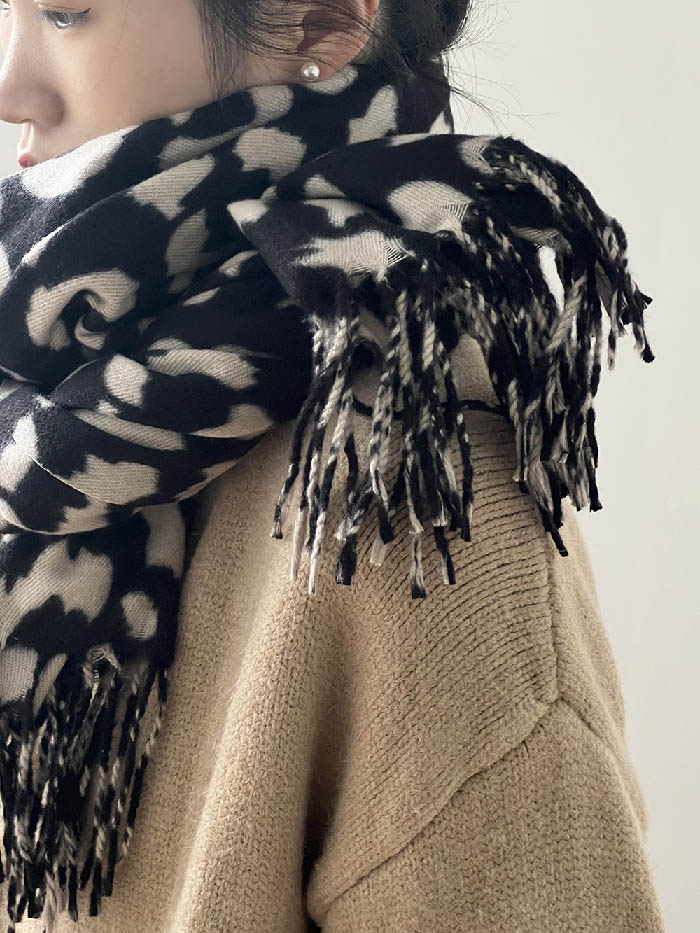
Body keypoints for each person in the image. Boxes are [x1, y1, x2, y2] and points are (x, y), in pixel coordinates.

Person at [0, 1, 666, 931]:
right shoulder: (47, 414)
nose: (10, 88)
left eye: (66, 12)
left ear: (317, 23)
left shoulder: (416, 497)